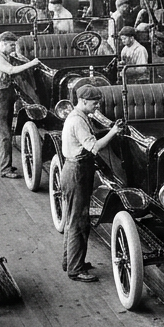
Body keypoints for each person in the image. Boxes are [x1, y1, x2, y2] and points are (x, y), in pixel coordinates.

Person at [59, 85, 124, 282]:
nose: (97, 106)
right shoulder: (78, 121)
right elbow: (94, 147)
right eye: (94, 103)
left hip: (77, 170)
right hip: (77, 172)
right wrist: (113, 131)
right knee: (78, 221)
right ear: (84, 101)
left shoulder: (80, 116)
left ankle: (70, 261)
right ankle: (76, 269)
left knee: (75, 219)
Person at [0, 32, 41, 178]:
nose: (13, 47)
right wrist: (32, 63)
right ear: (3, 43)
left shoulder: (5, 55)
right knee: (4, 133)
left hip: (4, 94)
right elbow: (11, 70)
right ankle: (5, 170)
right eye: (11, 45)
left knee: (1, 130)